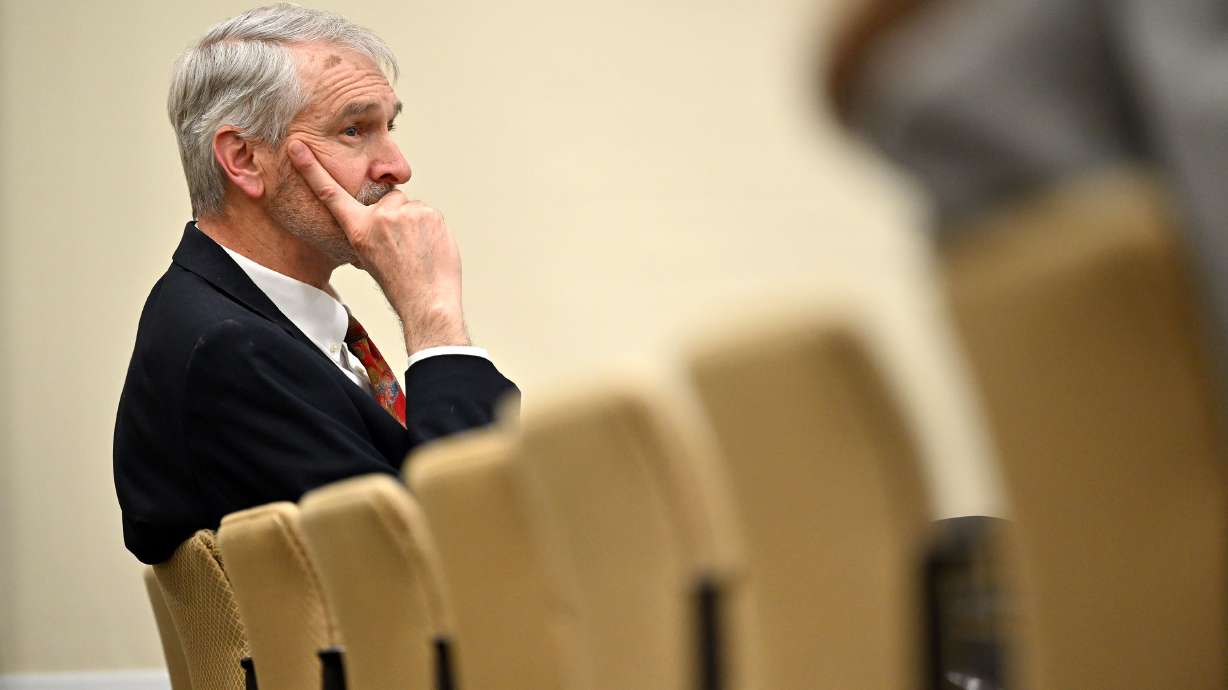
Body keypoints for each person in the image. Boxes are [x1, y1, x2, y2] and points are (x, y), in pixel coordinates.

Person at [113, 4, 518, 565]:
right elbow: (464, 553)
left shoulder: (263, 322)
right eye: (354, 130)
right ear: (245, 159)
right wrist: (433, 317)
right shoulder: (227, 349)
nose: (397, 167)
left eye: (388, 127)